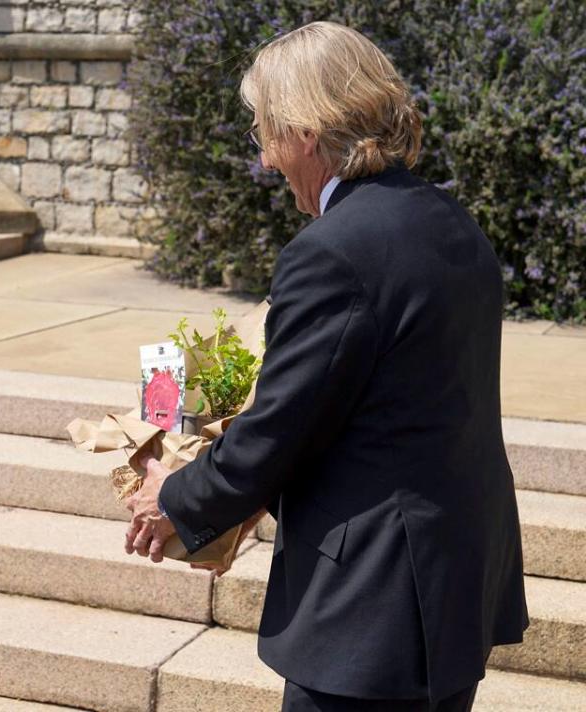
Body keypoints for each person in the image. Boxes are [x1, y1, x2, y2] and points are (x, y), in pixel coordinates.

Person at [125, 21, 528, 712]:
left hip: (372, 612)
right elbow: (378, 410)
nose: (265, 159)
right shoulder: (452, 221)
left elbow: (282, 427)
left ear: (304, 132)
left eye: (264, 132)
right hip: (453, 580)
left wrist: (175, 494)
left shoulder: (332, 251)